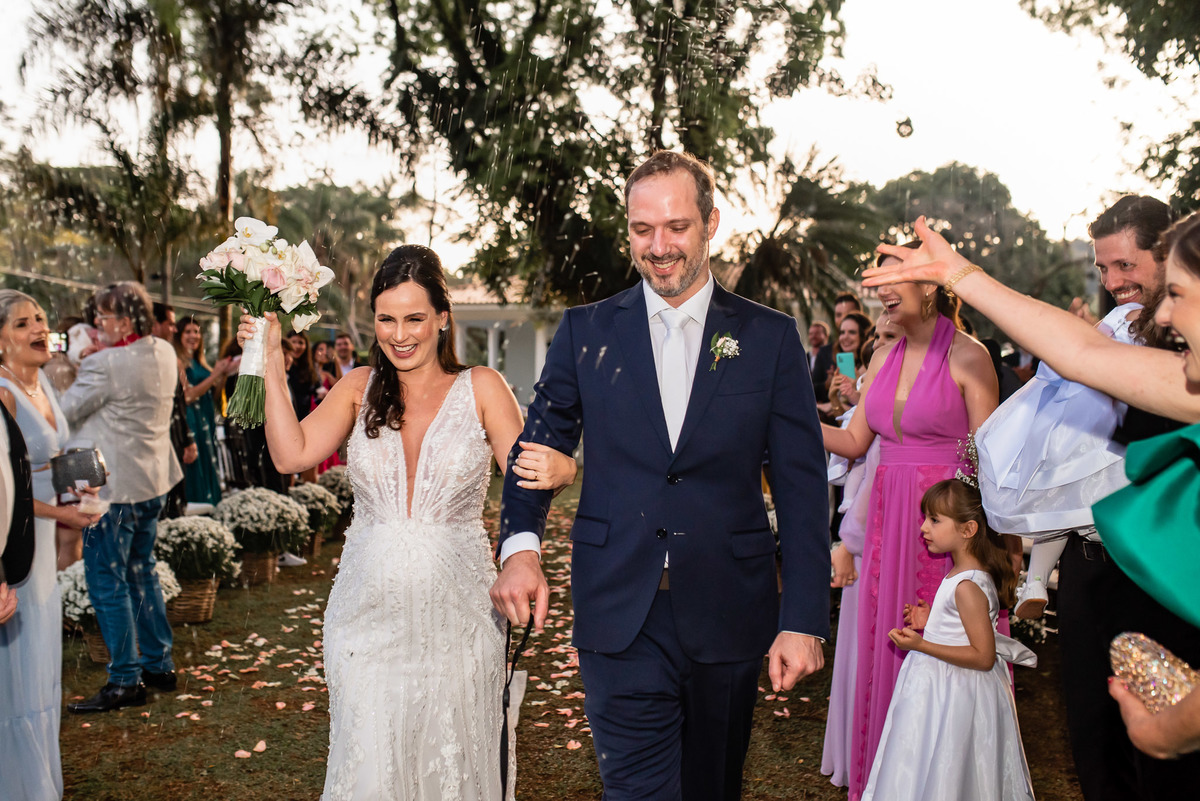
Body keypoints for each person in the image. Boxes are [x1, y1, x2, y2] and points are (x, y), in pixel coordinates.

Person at [491, 150, 831, 800]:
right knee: (637, 790)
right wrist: (520, 550)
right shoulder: (586, 332)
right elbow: (538, 445)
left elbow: (801, 486)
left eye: (676, 225)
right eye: (642, 229)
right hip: (619, 609)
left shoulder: (768, 338)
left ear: (711, 223)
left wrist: (804, 616)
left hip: (730, 608)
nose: (659, 245)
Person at [865, 213, 1200, 801]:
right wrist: (960, 275)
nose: (1163, 315)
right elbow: (1079, 353)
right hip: (1104, 571)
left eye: (1176, 294)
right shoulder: (1182, 381)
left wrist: (1172, 730)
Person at [237, 244, 576, 800]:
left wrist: (563, 466)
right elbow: (291, 454)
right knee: (370, 758)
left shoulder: (483, 387)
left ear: (443, 318)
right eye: (387, 318)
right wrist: (272, 361)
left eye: (415, 318)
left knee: (454, 759)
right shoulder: (357, 388)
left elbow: (527, 475)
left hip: (460, 616)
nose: (400, 334)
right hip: (365, 615)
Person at [821, 245, 999, 800]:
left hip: (944, 523)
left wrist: (974, 543)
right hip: (888, 518)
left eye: (896, 281)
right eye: (880, 284)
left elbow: (987, 463)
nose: (883, 292)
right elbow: (853, 442)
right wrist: (785, 417)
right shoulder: (882, 358)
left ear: (931, 286)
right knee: (886, 642)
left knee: (938, 641)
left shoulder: (969, 356)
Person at [862, 478, 1035, 801]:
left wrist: (921, 644)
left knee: (951, 761)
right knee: (926, 753)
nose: (924, 527)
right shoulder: (964, 575)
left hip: (956, 689)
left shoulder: (967, 585)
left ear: (968, 529)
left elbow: (983, 657)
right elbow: (966, 629)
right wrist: (932, 622)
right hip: (943, 683)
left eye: (935, 520)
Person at [61, 282, 183, 714]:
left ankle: (125, 678)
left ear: (126, 322)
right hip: (152, 480)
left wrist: (74, 363)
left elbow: (62, 410)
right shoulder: (164, 351)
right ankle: (159, 665)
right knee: (141, 572)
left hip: (112, 490)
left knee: (107, 582)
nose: (96, 324)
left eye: (103, 317)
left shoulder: (106, 364)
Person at [0, 290, 102, 795]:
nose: (38, 328)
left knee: (42, 658)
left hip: (45, 532)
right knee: (15, 667)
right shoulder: (2, 393)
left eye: (40, 318)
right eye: (22, 324)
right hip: (14, 537)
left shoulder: (40, 382)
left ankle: (41, 775)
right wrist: (58, 512)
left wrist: (78, 482)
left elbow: (46, 462)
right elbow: (7, 487)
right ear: (0, 341)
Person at [175, 316, 231, 507]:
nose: (193, 336)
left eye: (196, 331)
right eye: (188, 331)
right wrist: (215, 374)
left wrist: (222, 374)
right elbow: (188, 395)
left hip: (207, 421)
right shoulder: (179, 362)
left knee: (209, 464)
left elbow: (212, 396)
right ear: (179, 336)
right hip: (192, 422)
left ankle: (210, 509)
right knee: (196, 469)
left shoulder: (200, 362)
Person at [151, 303, 197, 520]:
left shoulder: (169, 354)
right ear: (154, 324)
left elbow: (178, 402)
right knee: (161, 506)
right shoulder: (145, 357)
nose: (174, 329)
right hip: (157, 444)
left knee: (176, 502)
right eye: (170, 324)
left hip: (176, 440)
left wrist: (187, 439)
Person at [824, 310, 873, 418]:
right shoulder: (844, 365)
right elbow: (842, 421)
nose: (845, 337)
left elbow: (867, 415)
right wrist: (833, 396)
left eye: (852, 332)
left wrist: (857, 386)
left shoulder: (870, 367)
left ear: (863, 335)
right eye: (842, 332)